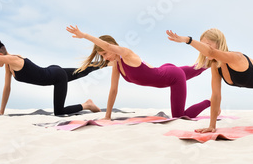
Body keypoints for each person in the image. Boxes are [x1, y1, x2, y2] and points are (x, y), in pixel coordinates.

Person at [66, 25, 211, 119]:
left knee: (180, 116)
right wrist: (107, 116)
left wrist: (84, 35)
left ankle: (210, 102)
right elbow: (113, 90)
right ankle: (209, 62)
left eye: (105, 53)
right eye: (102, 56)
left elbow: (107, 45)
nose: (105, 58)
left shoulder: (126, 53)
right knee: (198, 68)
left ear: (112, 47)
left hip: (172, 77)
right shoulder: (117, 65)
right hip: (165, 70)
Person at [0, 38, 101, 115]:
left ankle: (87, 104)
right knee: (84, 70)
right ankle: (107, 63)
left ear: (0, 55)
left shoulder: (13, 60)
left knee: (59, 112)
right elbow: (7, 88)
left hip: (56, 76)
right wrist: (2, 111)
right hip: (53, 72)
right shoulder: (9, 67)